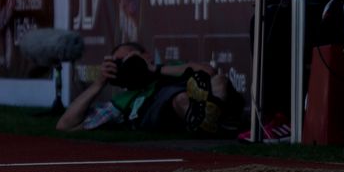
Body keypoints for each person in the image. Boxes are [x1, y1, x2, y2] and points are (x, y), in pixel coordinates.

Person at [57, 42, 233, 134]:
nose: (126, 64)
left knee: (219, 82)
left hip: (199, 97)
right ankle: (207, 120)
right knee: (180, 99)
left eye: (129, 58)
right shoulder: (123, 101)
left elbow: (208, 71)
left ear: (146, 56)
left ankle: (209, 118)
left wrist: (153, 69)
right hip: (167, 109)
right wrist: (99, 83)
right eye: (119, 63)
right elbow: (65, 125)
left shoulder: (171, 67)